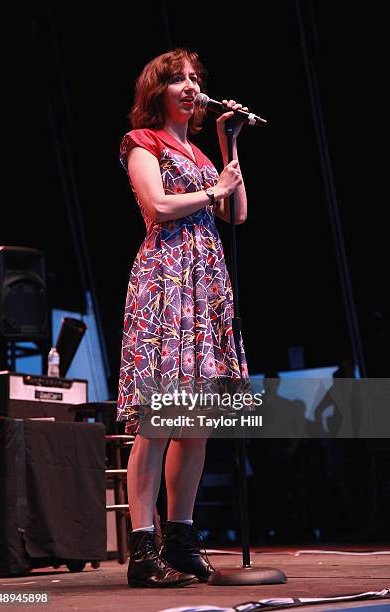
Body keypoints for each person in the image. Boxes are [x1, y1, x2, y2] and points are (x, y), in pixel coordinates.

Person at [117, 48, 250, 588]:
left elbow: (235, 212)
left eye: (196, 78)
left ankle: (182, 538)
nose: (191, 85)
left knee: (196, 423)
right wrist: (212, 189)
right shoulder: (142, 143)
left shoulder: (197, 150)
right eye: (179, 79)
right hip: (165, 281)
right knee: (159, 421)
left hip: (204, 285)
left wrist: (228, 144)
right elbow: (157, 206)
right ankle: (143, 550)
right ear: (159, 91)